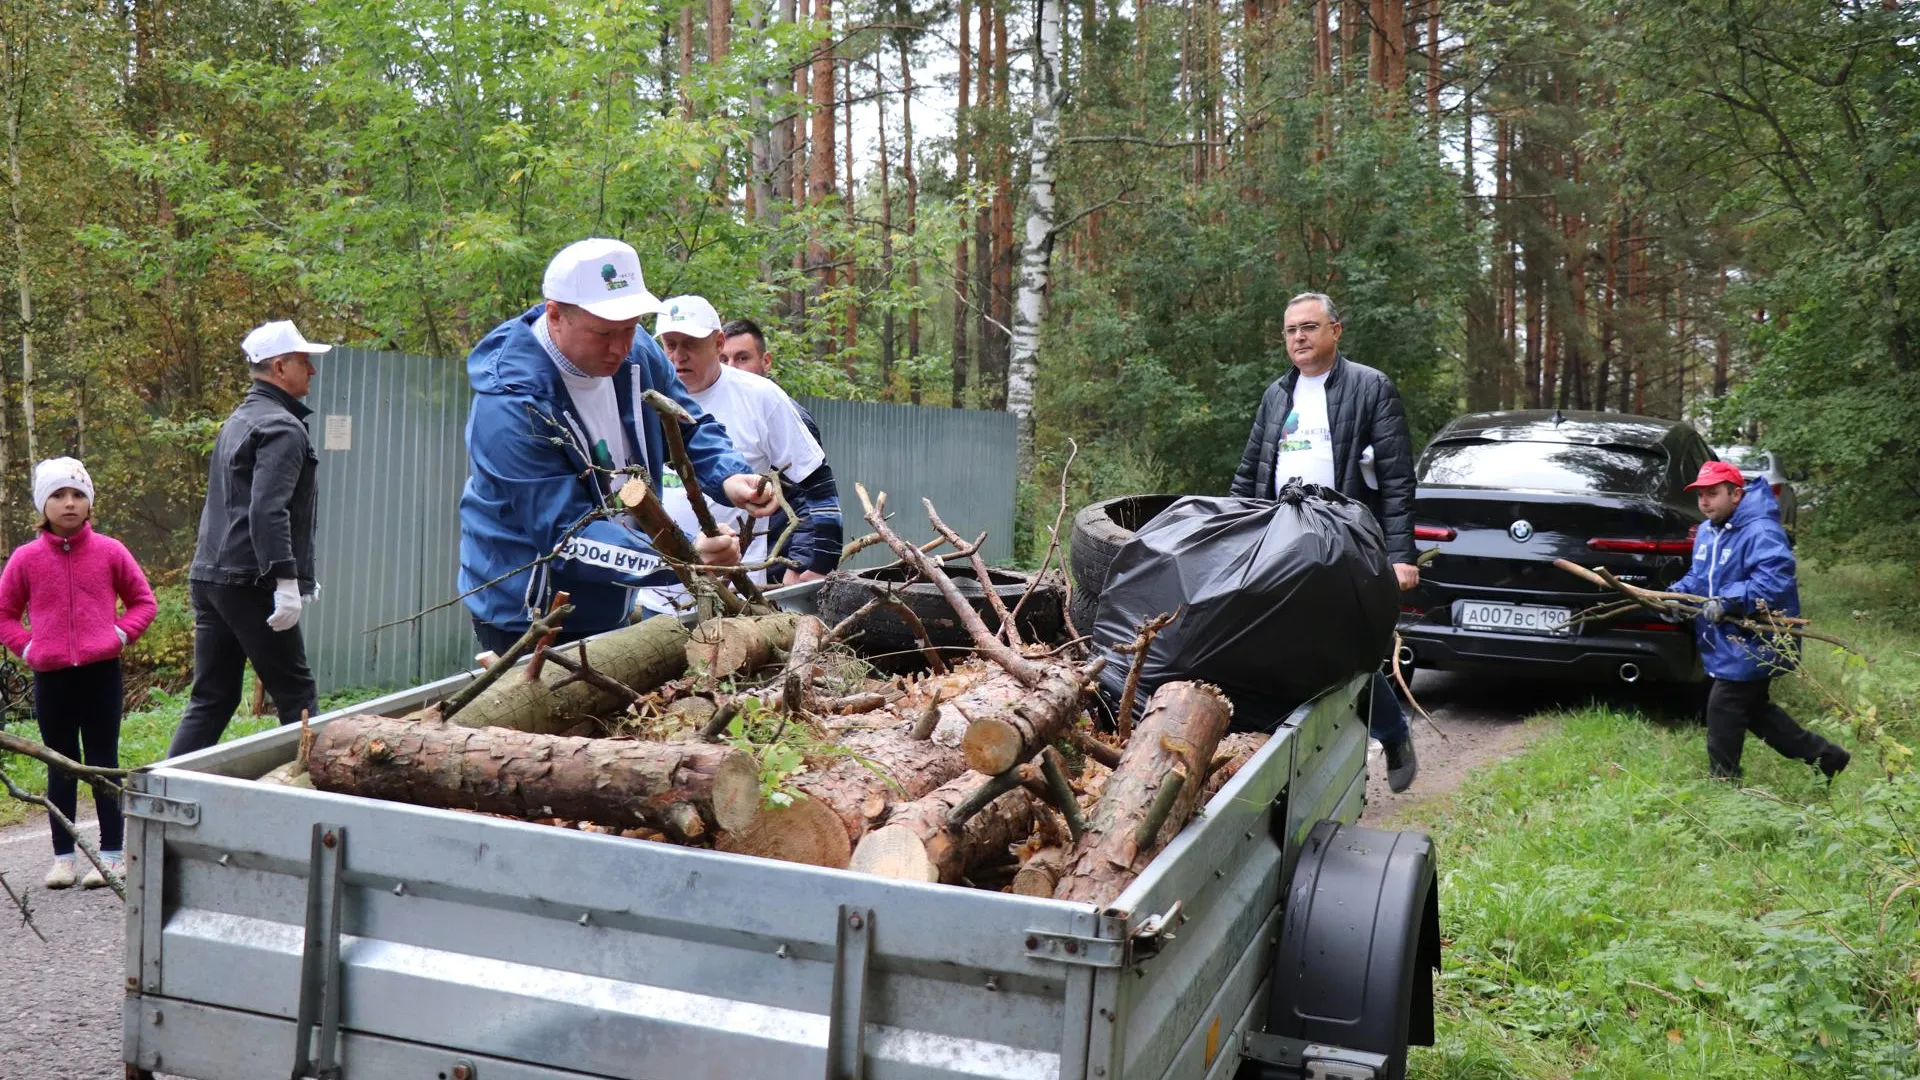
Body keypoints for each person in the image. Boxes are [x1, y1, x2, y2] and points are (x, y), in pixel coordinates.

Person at [458, 239, 778, 655]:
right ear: (555, 314)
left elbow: (685, 426)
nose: (621, 348)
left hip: (616, 594)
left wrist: (731, 475)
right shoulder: (512, 406)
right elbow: (565, 538)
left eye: (631, 327)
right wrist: (678, 558)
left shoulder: (637, 352)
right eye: (604, 333)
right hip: (529, 612)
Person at [1230, 291, 1421, 793]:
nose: (1300, 338)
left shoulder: (1370, 387)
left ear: (1336, 331)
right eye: (1292, 330)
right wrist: (1232, 533)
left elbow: (1399, 478)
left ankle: (1393, 733)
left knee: (1346, 648)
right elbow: (1251, 471)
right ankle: (1289, 761)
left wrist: (1401, 555)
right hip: (1281, 535)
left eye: (1310, 327)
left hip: (1345, 537)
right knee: (1278, 643)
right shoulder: (1277, 394)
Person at [167, 321, 328, 759]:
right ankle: (313, 801)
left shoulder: (238, 420)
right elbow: (266, 511)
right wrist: (286, 581)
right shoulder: (282, 428)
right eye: (304, 361)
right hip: (250, 581)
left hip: (210, 577)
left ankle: (160, 793)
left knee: (212, 699)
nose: (311, 371)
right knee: (298, 698)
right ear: (280, 366)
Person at [0, 458, 157, 888]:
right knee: (60, 764)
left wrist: (119, 637)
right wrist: (28, 646)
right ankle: (64, 857)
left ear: (88, 503)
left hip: (101, 674)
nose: (68, 503)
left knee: (102, 762)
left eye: (77, 495)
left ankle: (110, 855)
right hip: (52, 678)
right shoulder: (25, 559)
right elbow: (4, 613)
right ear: (43, 504)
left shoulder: (110, 551)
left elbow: (144, 602)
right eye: (58, 495)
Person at [637, 299, 842, 613]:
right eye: (670, 344)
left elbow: (817, 484)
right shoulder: (640, 397)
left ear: (718, 343)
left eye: (690, 344)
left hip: (737, 593)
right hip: (652, 593)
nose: (678, 356)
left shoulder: (761, 397)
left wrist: (819, 563)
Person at [1670, 460, 1849, 781]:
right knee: (1754, 711)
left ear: (1736, 494)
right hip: (1727, 640)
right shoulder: (1709, 532)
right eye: (1700, 495)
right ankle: (1827, 757)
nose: (1704, 502)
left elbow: (1774, 581)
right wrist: (1676, 596)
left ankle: (1723, 782)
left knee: (1723, 707)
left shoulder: (1761, 531)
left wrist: (1729, 600)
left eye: (1713, 493)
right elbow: (1698, 577)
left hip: (1758, 640)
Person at [720, 317, 828, 585]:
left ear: (765, 361)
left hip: (772, 565)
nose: (732, 368)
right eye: (723, 359)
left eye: (742, 358)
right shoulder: (718, 411)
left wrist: (799, 563)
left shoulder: (786, 414)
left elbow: (808, 495)